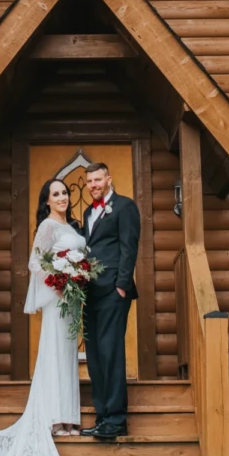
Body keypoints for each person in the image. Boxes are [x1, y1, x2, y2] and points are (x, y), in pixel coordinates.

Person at [0, 179, 84, 456]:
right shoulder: (48, 226)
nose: (62, 198)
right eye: (56, 194)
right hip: (58, 299)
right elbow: (36, 262)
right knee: (54, 353)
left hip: (73, 299)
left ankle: (69, 417)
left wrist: (77, 277)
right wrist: (60, 280)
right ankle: (54, 417)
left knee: (67, 355)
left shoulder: (72, 225)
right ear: (47, 200)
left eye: (64, 193)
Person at [79, 162, 139, 439]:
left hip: (114, 292)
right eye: (89, 181)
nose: (93, 185)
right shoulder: (88, 212)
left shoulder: (124, 206)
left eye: (98, 179)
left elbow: (129, 247)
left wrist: (122, 287)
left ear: (109, 178)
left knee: (111, 352)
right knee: (94, 356)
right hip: (90, 294)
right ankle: (102, 416)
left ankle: (116, 419)